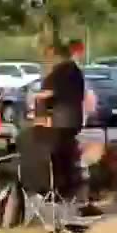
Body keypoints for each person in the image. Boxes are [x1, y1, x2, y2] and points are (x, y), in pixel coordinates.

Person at [36, 41, 86, 196]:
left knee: (57, 155)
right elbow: (80, 95)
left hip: (60, 119)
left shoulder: (58, 72)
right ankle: (69, 190)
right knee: (69, 154)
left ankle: (57, 190)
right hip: (74, 118)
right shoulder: (77, 72)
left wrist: (37, 101)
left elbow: (47, 94)